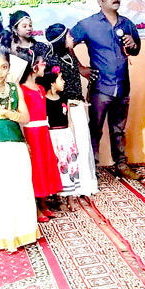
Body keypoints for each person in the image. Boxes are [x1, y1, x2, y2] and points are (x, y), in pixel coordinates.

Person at [71, 0, 141, 179]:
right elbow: (67, 44)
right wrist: (81, 69)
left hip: (123, 86)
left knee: (119, 130)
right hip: (100, 87)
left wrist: (133, 44)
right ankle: (91, 168)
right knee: (95, 129)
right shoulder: (87, 25)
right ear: (100, 0)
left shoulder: (127, 23)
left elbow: (136, 50)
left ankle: (121, 165)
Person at [0, 45, 40, 252]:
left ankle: (22, 233)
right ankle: (1, 236)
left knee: (19, 187)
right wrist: (11, 113)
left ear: (9, 67)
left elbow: (26, 117)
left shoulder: (14, 88)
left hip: (16, 143)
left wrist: (3, 112)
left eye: (4, 67)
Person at [45, 23, 98, 196]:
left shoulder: (70, 55)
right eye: (68, 36)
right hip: (66, 109)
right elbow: (54, 90)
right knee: (72, 146)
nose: (72, 38)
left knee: (83, 144)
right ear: (61, 40)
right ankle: (72, 186)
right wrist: (67, 106)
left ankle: (85, 183)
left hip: (78, 104)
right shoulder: (53, 61)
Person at [21, 53, 63, 220]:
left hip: (43, 131)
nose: (44, 65)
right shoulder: (22, 89)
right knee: (36, 168)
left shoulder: (40, 88)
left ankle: (44, 203)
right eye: (41, 63)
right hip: (31, 133)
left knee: (45, 165)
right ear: (33, 67)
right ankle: (35, 206)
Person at [38, 66, 81, 206]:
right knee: (56, 165)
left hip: (65, 135)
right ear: (52, 83)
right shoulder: (44, 101)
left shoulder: (64, 98)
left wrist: (72, 138)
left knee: (69, 163)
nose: (64, 82)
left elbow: (69, 120)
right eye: (61, 79)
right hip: (53, 136)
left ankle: (70, 197)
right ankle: (57, 195)